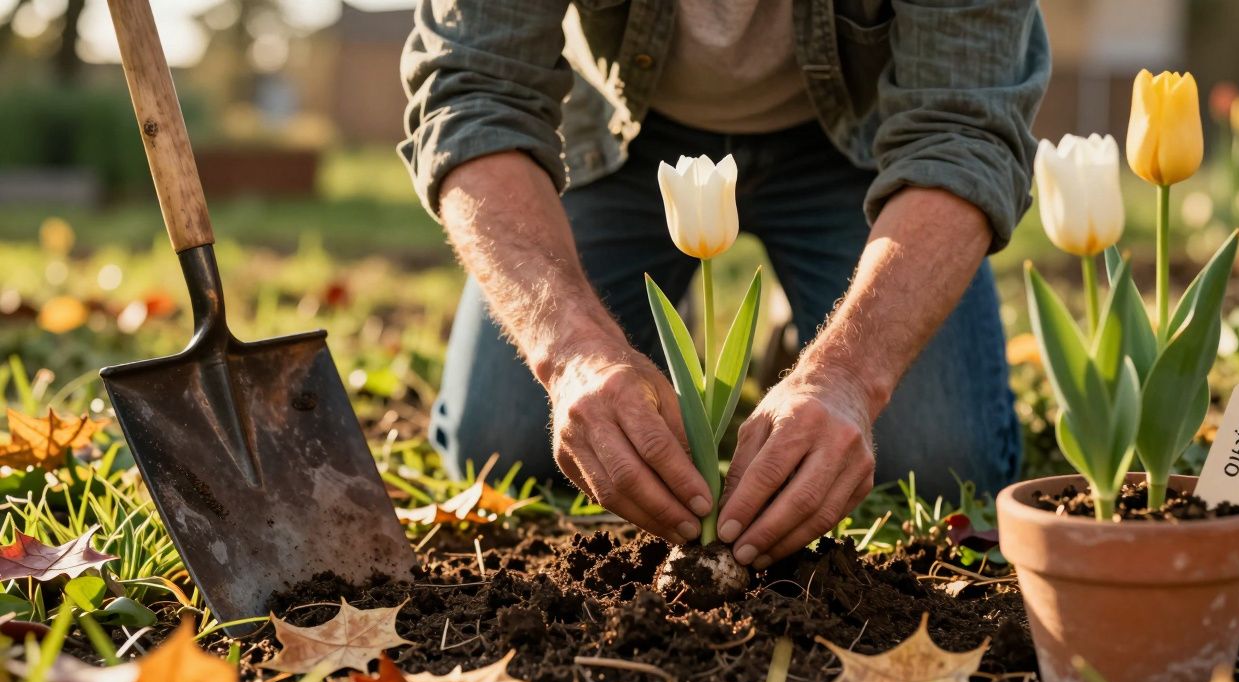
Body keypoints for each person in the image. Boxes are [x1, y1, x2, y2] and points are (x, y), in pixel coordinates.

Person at [398, 1, 1050, 569]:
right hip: (620, 137)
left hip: (862, 146)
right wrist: (574, 353)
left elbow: (964, 131)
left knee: (941, 461)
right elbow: (473, 93)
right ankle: (645, 334)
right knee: (504, 442)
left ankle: (810, 339)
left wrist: (849, 374)